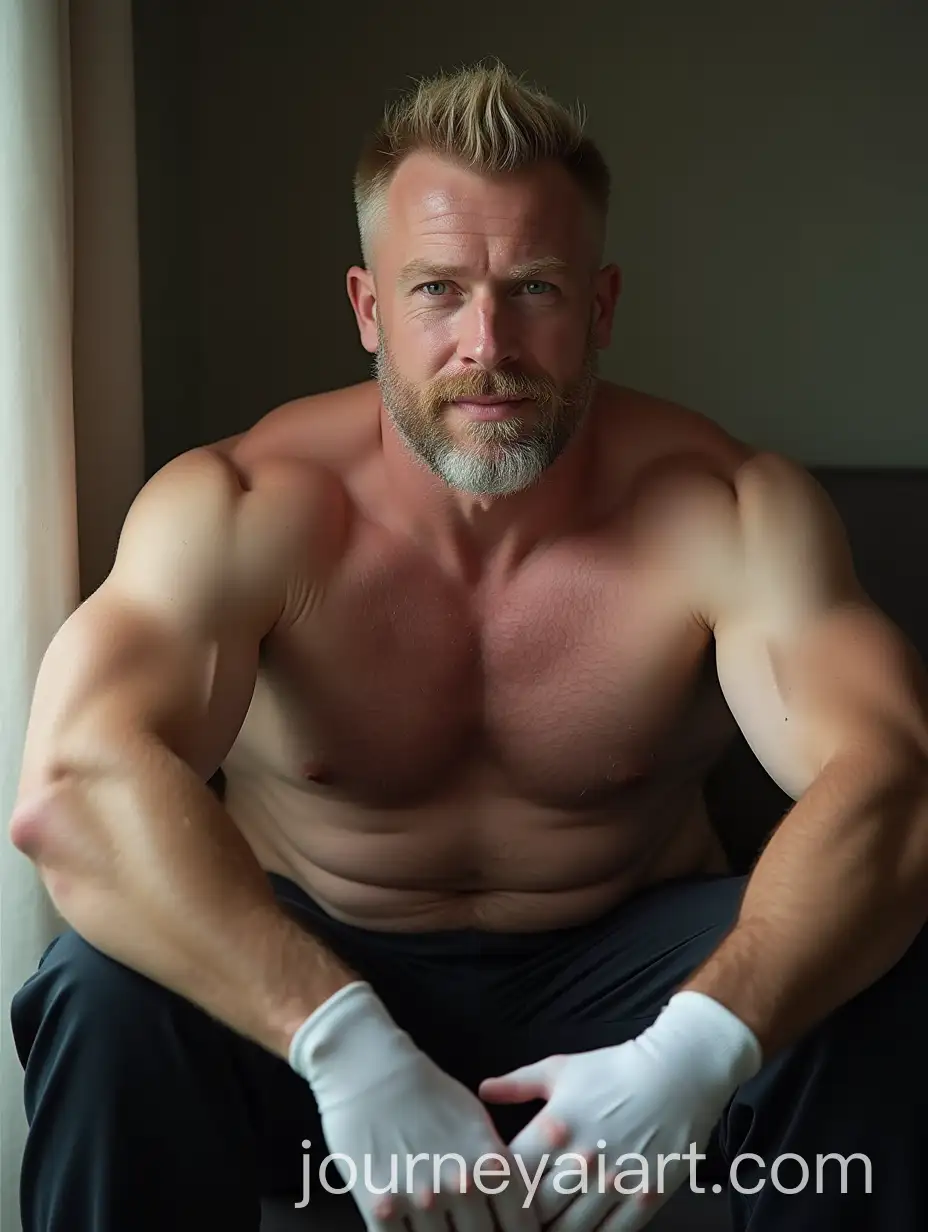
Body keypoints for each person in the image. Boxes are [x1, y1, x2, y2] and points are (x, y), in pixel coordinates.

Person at [8, 60, 928, 1232]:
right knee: (99, 992)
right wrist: (342, 1044)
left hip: (632, 974)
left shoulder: (728, 511)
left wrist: (699, 1047)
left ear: (597, 306)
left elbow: (892, 783)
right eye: (437, 289)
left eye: (532, 288)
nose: (485, 344)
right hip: (313, 962)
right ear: (366, 307)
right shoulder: (244, 507)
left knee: (885, 974)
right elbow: (75, 786)